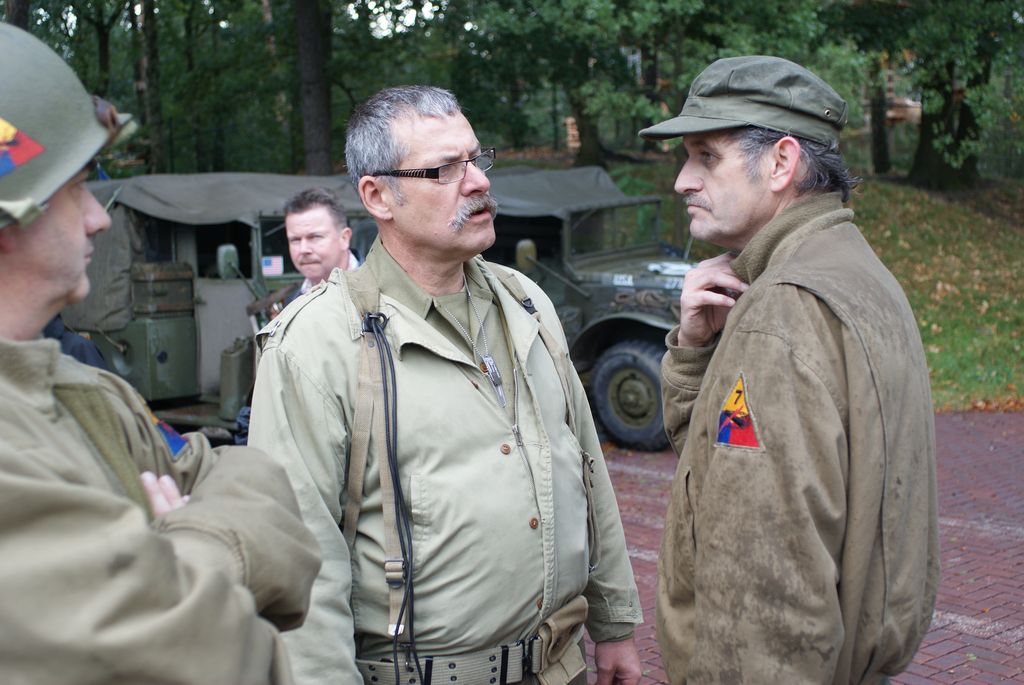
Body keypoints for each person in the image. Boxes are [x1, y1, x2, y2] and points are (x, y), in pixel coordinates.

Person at [249, 85, 643, 685]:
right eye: (445, 169)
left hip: (560, 667)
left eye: (477, 160)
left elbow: (586, 464)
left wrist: (613, 624)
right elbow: (299, 560)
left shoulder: (526, 303)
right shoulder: (315, 342)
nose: (480, 181)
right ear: (378, 195)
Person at [0, 23, 320, 684]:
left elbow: (249, 475)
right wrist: (209, 557)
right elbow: (228, 659)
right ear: (11, 216)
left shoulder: (82, 388)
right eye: (76, 187)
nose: (97, 217)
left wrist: (179, 564)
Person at [639, 55, 939, 683]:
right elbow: (714, 467)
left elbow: (766, 592)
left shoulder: (785, 309)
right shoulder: (853, 270)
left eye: (705, 156)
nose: (683, 181)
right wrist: (696, 350)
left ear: (780, 163)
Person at [283, 186, 360, 303]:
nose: (303, 249)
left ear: (344, 238)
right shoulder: (292, 304)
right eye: (295, 240)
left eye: (314, 237)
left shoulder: (383, 293)